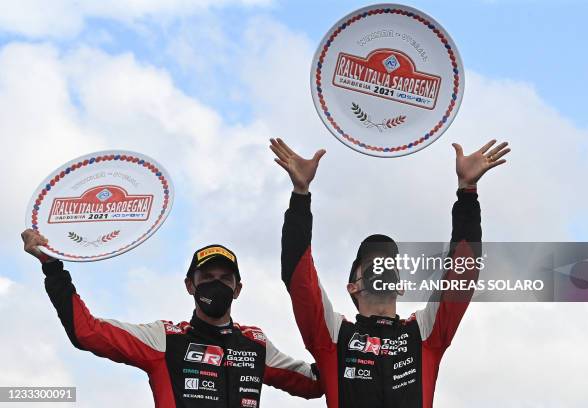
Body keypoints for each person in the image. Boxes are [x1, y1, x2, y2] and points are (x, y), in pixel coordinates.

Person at [270, 137, 510, 408]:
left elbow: (462, 273)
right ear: (352, 286)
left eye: (388, 262)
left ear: (400, 285)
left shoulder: (425, 332)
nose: (381, 266)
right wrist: (300, 196)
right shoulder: (333, 335)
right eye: (372, 262)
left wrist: (467, 191)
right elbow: (299, 277)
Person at [20, 233, 323, 408]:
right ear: (190, 285)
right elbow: (87, 332)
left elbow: (313, 383)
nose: (215, 285)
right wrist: (52, 267)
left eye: (224, 279)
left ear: (238, 289)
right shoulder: (165, 338)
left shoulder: (255, 343)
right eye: (206, 278)